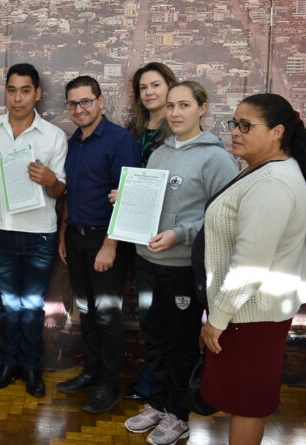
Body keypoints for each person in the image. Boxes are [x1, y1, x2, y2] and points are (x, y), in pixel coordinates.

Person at [199, 93, 306, 445]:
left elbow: (250, 264)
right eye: (234, 123)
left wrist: (218, 320)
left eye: (246, 125)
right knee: (243, 399)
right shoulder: (266, 171)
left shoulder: (272, 183)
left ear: (277, 132)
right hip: (246, 313)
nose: (235, 132)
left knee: (248, 404)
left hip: (250, 316)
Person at [122, 81, 237, 444]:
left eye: (184, 105)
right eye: (170, 106)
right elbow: (151, 201)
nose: (175, 113)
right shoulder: (159, 152)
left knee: (181, 343)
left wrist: (180, 233)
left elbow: (224, 215)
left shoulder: (216, 157)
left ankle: (178, 414)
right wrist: (126, 200)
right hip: (147, 260)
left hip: (183, 266)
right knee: (154, 338)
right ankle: (157, 404)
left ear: (202, 108)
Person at [0, 63, 68, 397]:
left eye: (25, 90)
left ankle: (31, 368)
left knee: (31, 307)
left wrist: (51, 181)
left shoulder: (54, 136)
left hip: (39, 234)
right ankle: (7, 365)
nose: (18, 98)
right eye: (12, 90)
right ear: (5, 92)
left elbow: (61, 192)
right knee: (7, 305)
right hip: (0, 230)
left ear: (38, 94)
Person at [56, 76, 140, 413]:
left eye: (86, 101)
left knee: (107, 316)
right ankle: (90, 373)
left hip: (106, 240)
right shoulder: (72, 143)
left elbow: (128, 197)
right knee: (86, 312)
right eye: (73, 103)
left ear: (100, 102)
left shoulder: (120, 141)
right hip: (75, 237)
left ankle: (109, 385)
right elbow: (69, 194)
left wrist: (110, 245)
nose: (79, 109)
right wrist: (64, 235)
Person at [124, 62, 177, 401]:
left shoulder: (178, 131)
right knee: (143, 310)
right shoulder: (135, 128)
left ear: (170, 87)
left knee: (164, 314)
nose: (150, 93)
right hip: (133, 230)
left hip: (166, 234)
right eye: (143, 88)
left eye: (156, 85)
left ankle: (159, 384)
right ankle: (149, 377)